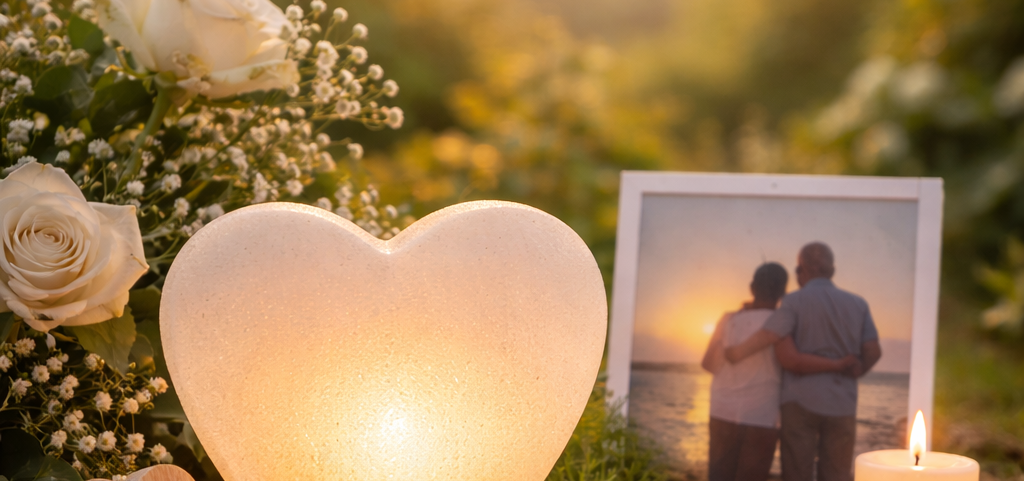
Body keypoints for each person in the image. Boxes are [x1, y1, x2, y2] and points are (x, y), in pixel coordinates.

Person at [725, 242, 882, 481]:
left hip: (800, 402)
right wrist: (857, 369)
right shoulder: (858, 303)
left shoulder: (794, 301)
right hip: (843, 403)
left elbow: (771, 336)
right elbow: (873, 350)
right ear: (831, 270)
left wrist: (737, 352)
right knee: (837, 474)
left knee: (797, 473)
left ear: (806, 268)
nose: (797, 275)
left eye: (798, 270)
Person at [702, 262, 857, 481]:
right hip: (761, 414)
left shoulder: (727, 319)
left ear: (752, 287)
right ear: (784, 292)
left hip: (721, 408)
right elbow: (793, 362)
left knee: (719, 475)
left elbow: (708, 364)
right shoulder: (783, 322)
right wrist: (838, 364)